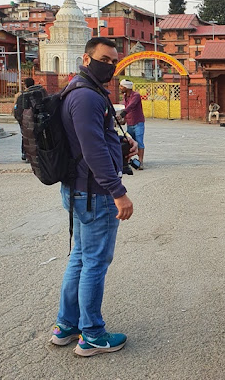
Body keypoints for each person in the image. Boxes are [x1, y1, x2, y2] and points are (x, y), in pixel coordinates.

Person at [50, 37, 138, 356]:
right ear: (86, 59)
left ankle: (67, 325)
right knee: (94, 263)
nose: (110, 66)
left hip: (79, 189)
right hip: (94, 194)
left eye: (115, 61)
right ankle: (92, 335)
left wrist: (121, 150)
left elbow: (98, 140)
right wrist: (118, 192)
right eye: (104, 59)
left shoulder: (78, 89)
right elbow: (92, 149)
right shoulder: (87, 97)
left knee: (80, 258)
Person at [14, 78, 47, 161]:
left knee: (26, 138)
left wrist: (20, 121)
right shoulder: (42, 92)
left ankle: (26, 154)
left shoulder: (22, 95)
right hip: (40, 119)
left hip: (26, 121)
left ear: (25, 85)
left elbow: (17, 110)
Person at [117, 79, 145, 170]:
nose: (120, 88)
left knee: (139, 141)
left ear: (126, 87)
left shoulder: (135, 95)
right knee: (129, 142)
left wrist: (122, 114)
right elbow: (125, 107)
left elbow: (131, 106)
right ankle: (128, 160)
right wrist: (123, 119)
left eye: (121, 86)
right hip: (130, 123)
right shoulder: (125, 96)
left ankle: (140, 162)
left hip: (138, 122)